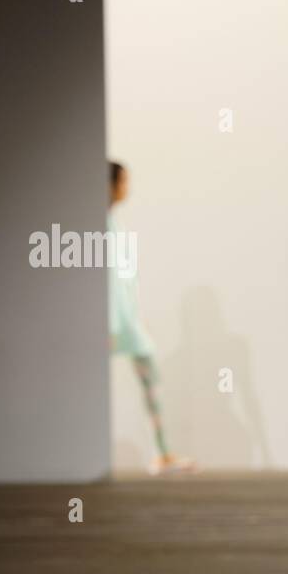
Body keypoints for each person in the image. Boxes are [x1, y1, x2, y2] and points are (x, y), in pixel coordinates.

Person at [107, 161, 196, 476]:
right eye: (123, 181)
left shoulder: (115, 222)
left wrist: (134, 316)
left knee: (149, 377)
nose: (126, 188)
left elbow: (124, 279)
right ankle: (160, 452)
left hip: (125, 319)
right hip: (110, 321)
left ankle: (161, 452)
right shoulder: (98, 225)